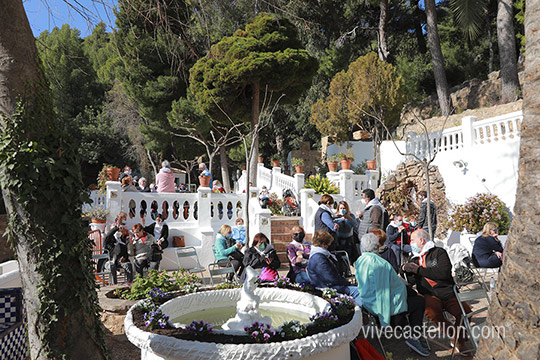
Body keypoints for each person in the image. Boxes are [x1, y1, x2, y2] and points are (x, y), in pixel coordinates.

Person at [355, 233, 430, 357]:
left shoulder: (360, 261)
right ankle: (413, 337)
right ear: (377, 246)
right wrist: (385, 321)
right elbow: (382, 293)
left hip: (368, 301)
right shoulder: (379, 264)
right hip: (382, 305)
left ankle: (409, 331)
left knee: (412, 296)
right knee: (419, 302)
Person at [403, 229, 472, 353]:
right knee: (432, 313)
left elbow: (443, 273)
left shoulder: (439, 252)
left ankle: (458, 340)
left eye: (412, 240)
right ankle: (456, 336)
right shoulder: (414, 259)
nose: (410, 243)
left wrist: (418, 270)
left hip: (447, 292)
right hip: (429, 294)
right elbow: (412, 281)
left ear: (421, 240)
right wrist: (405, 269)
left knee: (465, 312)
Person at [307, 230, 362, 306]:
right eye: (328, 244)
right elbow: (330, 278)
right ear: (323, 244)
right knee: (358, 291)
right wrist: (347, 283)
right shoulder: (318, 258)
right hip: (327, 288)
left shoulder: (320, 255)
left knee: (357, 287)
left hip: (329, 285)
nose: (329, 246)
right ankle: (361, 312)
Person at [103, 212, 133, 284]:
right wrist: (116, 228)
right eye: (117, 230)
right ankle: (114, 284)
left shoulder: (122, 240)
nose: (119, 232)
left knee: (128, 264)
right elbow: (108, 235)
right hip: (109, 261)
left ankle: (129, 282)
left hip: (119, 261)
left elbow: (125, 252)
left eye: (120, 230)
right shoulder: (109, 240)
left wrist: (124, 257)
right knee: (112, 266)